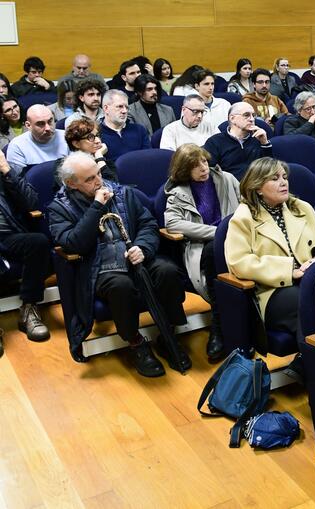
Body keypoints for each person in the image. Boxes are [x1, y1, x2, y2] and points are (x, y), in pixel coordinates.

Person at [48, 152, 189, 374]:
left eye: (98, 174)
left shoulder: (122, 192)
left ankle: (168, 334)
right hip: (99, 267)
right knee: (120, 287)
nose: (98, 182)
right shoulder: (59, 208)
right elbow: (74, 244)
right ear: (70, 184)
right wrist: (96, 207)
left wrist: (142, 248)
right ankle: (135, 343)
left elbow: (147, 224)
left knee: (167, 271)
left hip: (135, 255)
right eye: (89, 179)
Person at [225, 157, 315, 335]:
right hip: (273, 290)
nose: (283, 182)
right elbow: (239, 263)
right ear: (258, 187)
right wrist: (289, 270)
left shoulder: (302, 208)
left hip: (312, 278)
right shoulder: (243, 218)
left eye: (284, 177)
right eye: (274, 179)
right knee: (307, 302)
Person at [164, 144, 241, 361]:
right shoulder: (178, 192)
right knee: (211, 251)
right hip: (205, 245)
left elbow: (248, 205)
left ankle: (229, 325)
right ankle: (219, 323)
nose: (203, 168)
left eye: (204, 162)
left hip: (238, 239)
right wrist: (217, 232)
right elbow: (172, 223)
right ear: (183, 170)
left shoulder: (226, 179)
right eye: (195, 166)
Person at [0, 150, 51, 342]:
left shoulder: (7, 171)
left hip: (8, 235)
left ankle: (29, 308)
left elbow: (30, 202)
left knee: (38, 241)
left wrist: (6, 170)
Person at [203, 102, 272, 178]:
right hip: (230, 187)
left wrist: (265, 143)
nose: (252, 119)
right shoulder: (214, 142)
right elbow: (210, 174)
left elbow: (270, 169)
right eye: (246, 115)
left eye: (253, 115)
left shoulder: (258, 138)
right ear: (232, 119)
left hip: (258, 185)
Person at [5, 105, 69, 173]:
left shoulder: (68, 137)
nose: (48, 128)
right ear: (28, 125)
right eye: (41, 124)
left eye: (50, 121)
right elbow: (17, 181)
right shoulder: (17, 146)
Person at [63, 119, 118, 186]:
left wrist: (99, 157)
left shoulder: (106, 161)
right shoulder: (66, 168)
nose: (98, 141)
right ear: (76, 144)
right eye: (91, 137)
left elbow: (113, 187)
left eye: (97, 135)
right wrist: (99, 158)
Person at [99, 90, 149, 162]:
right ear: (106, 108)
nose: (124, 111)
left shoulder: (139, 130)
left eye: (126, 107)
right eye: (120, 106)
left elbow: (147, 159)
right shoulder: (97, 134)